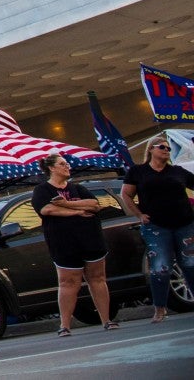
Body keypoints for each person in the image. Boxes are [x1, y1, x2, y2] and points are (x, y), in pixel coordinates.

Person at [32, 154, 113, 335]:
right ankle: (65, 325)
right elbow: (47, 209)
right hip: (64, 243)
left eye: (67, 163)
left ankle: (106, 320)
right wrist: (77, 212)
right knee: (68, 282)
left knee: (98, 278)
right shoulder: (42, 190)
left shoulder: (78, 188)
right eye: (62, 164)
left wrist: (67, 204)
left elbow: (94, 204)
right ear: (51, 168)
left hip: (91, 240)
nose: (67, 166)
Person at [120, 134, 194, 323]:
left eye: (168, 149)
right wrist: (139, 214)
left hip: (184, 224)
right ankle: (160, 308)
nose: (166, 151)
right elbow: (126, 195)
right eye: (162, 147)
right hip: (157, 226)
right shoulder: (138, 172)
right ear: (151, 149)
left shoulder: (177, 172)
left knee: (189, 264)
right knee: (161, 267)